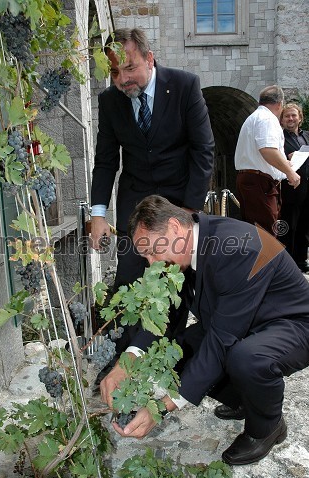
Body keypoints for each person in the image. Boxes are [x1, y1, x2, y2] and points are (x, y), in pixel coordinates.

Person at [100, 195, 309, 466]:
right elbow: (163, 315)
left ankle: (267, 427)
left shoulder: (237, 249)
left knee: (246, 358)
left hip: (294, 325)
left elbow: (220, 343)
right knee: (178, 350)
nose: (151, 264)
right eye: (145, 256)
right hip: (243, 324)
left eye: (152, 251)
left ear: (175, 227)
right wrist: (125, 362)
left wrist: (160, 409)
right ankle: (249, 400)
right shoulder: (180, 253)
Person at [90, 28, 214, 352]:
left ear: (149, 57)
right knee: (130, 276)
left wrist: (189, 211)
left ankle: (167, 356)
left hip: (179, 200)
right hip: (135, 201)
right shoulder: (109, 100)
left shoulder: (185, 86)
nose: (122, 78)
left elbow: (204, 150)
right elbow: (105, 162)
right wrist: (98, 214)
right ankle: (124, 361)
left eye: (129, 68)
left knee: (177, 281)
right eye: (115, 71)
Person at [234, 85, 300, 236]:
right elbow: (268, 150)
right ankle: (267, 260)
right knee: (266, 234)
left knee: (256, 232)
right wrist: (290, 172)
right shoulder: (267, 119)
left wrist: (284, 164)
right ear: (280, 104)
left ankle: (260, 260)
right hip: (259, 183)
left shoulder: (255, 117)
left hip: (253, 180)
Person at [278, 103, 309, 271]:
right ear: (282, 120)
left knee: (305, 225)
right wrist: (286, 158)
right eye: (287, 116)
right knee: (289, 225)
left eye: (293, 115)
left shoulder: (307, 136)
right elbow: (273, 158)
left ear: (300, 118)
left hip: (307, 187)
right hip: (290, 188)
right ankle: (288, 264)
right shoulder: (279, 138)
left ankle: (301, 261)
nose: (291, 119)